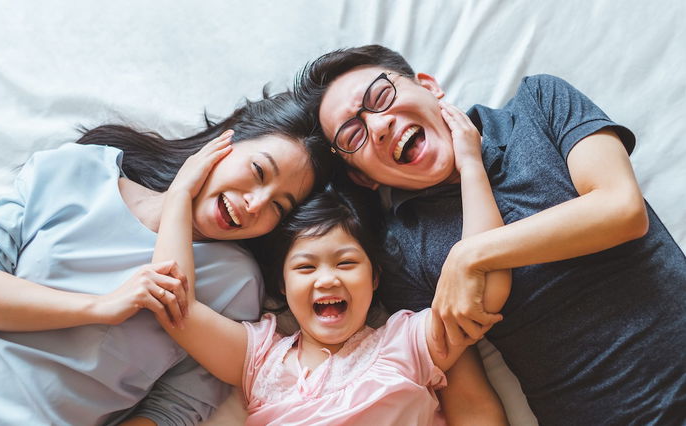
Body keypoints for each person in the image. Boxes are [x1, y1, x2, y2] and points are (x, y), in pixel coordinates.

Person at [293, 44, 686, 425]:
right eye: (352, 136)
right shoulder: (402, 253)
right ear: (363, 178)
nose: (379, 126)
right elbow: (468, 398)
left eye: (381, 96)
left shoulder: (539, 102)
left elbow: (621, 209)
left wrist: (470, 255)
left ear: (429, 86)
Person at [0, 91, 333, 425]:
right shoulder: (77, 168)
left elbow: (176, 409)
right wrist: (100, 307)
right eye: (258, 171)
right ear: (225, 142)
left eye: (278, 206)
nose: (255, 204)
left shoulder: (235, 281)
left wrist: (180, 196)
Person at [148, 105, 509, 425]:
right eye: (306, 268)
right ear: (282, 286)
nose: (327, 280)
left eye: (346, 263)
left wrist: (470, 166)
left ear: (375, 278)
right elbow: (174, 302)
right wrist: (180, 195)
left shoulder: (407, 344)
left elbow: (484, 286)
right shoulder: (260, 360)